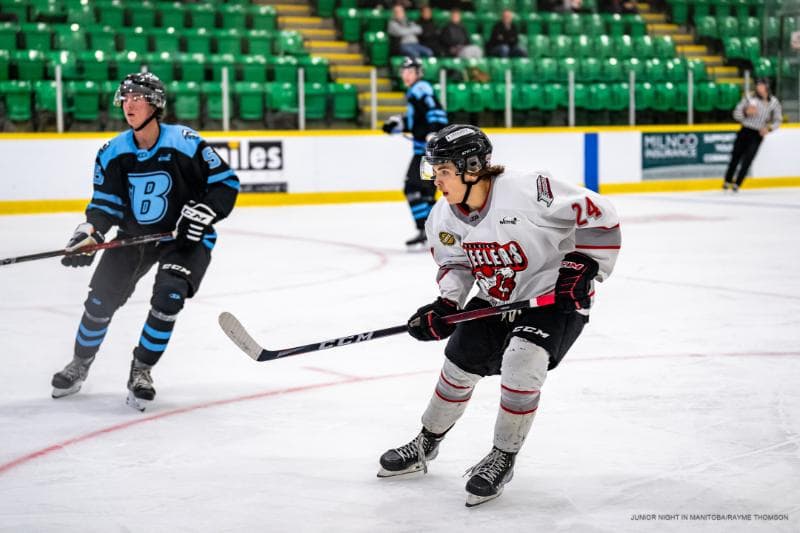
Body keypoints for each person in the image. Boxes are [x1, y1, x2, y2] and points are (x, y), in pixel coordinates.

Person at [376, 124, 621, 507]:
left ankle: (503, 457)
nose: (436, 179)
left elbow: (599, 213)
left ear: (471, 166)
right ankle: (427, 442)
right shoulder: (443, 216)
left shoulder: (529, 190)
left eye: (443, 170)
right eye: (433, 170)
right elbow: (457, 264)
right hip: (496, 297)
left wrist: (584, 265)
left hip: (551, 300)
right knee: (458, 366)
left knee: (523, 362)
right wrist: (447, 305)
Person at [51, 73, 239, 411]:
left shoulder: (184, 141)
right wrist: (89, 233)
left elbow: (226, 184)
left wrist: (203, 213)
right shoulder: (112, 152)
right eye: (124, 98)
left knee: (169, 297)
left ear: (156, 104)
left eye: (137, 97)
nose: (129, 104)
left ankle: (142, 370)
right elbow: (105, 206)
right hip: (133, 238)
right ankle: (80, 364)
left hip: (184, 239)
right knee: (98, 304)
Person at [382, 57, 448, 247]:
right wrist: (397, 125)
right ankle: (431, 231)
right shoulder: (416, 90)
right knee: (426, 192)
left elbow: (434, 111)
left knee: (412, 188)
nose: (406, 75)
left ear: (418, 73)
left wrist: (433, 132)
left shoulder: (421, 88)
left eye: (410, 71)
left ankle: (426, 230)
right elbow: (416, 120)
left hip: (425, 153)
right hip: (428, 153)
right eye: (404, 71)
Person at [723, 78, 782, 192]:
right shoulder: (749, 98)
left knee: (748, 159)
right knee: (736, 157)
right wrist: (746, 112)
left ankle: (737, 184)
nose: (759, 87)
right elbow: (736, 114)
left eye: (761, 85)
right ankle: (727, 180)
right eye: (758, 85)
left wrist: (768, 128)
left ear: (767, 87)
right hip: (745, 130)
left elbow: (778, 120)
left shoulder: (773, 102)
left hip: (757, 133)